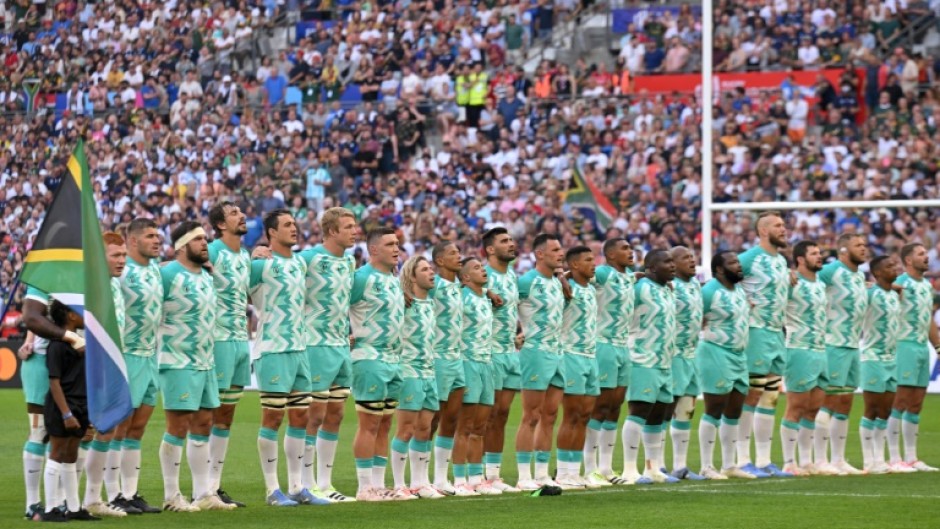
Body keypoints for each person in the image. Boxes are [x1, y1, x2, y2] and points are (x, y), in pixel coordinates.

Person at [156, 221, 233, 512]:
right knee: (178, 426)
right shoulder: (167, 274)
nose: (205, 243)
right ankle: (172, 495)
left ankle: (203, 493)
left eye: (205, 238)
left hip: (205, 361)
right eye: (199, 239)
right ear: (182, 246)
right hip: (177, 361)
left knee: (204, 424)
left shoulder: (206, 275)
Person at [249, 209, 315, 506]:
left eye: (295, 223)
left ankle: (297, 486)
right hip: (272, 349)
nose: (294, 228)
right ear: (271, 232)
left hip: (299, 349)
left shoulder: (300, 263)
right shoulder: (260, 264)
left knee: (300, 417)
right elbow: (235, 290)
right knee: (273, 417)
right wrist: (253, 256)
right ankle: (271, 489)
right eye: (287, 224)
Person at [298, 207, 359, 502]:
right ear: (332, 231)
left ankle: (326, 483)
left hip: (340, 345)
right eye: (348, 226)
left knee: (336, 414)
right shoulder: (308, 259)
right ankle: (305, 483)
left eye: (354, 226)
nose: (354, 230)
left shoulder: (350, 261)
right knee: (314, 415)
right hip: (315, 344)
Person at [20, 283, 86, 519]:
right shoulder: (43, 278)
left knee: (71, 436)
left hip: (76, 361)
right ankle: (33, 503)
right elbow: (33, 316)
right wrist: (30, 340)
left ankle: (60, 502)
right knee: (40, 432)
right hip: (41, 360)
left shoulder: (84, 273)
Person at [349, 228, 405, 501]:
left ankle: (379, 484)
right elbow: (338, 307)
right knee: (369, 423)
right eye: (390, 244)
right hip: (369, 358)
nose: (397, 248)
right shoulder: (360, 278)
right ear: (373, 250)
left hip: (394, 359)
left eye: (397, 244)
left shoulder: (395, 279)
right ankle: (363, 487)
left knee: (384, 424)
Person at [113, 218, 165, 514]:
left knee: (138, 428)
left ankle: (130, 492)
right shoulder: (120, 273)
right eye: (150, 236)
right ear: (132, 241)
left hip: (150, 356)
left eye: (157, 235)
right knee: (119, 427)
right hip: (127, 355)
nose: (157, 240)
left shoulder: (157, 270)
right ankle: (113, 492)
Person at [737, 211, 792, 478]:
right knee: (752, 394)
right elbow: (722, 281)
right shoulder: (748, 259)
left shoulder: (781, 261)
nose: (784, 229)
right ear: (762, 231)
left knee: (771, 396)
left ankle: (764, 460)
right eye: (777, 226)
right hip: (756, 331)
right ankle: (741, 459)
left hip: (777, 332)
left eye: (784, 225)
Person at [206, 201, 251, 508]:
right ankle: (203, 487)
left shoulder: (245, 255)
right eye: (234, 213)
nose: (242, 215)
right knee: (208, 415)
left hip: (240, 340)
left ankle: (215, 485)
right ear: (221, 225)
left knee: (227, 416)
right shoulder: (211, 251)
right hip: (218, 339)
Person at [82, 232, 131, 517]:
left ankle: (92, 498)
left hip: (112, 367)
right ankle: (67, 498)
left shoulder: (114, 286)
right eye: (116, 255)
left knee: (106, 430)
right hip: (91, 369)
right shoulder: (90, 286)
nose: (122, 261)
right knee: (85, 432)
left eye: (124, 255)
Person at [620, 250, 677, 485]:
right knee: (640, 411)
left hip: (664, 361)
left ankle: (653, 468)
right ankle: (629, 470)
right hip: (642, 359)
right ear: (651, 268)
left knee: (659, 415)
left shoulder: (667, 290)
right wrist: (633, 276)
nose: (672, 265)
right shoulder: (639, 287)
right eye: (666, 262)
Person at [514, 233, 566, 491]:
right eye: (555, 249)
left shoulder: (557, 282)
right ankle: (524, 475)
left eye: (561, 249)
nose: (561, 253)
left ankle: (543, 473)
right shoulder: (526, 282)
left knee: (550, 415)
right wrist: (514, 335)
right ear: (540, 254)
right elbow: (503, 308)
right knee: (531, 415)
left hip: (557, 353)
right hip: (535, 354)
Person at [40, 300, 99, 522]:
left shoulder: (83, 342)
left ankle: (73, 507)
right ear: (70, 315)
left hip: (82, 404)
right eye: (80, 310)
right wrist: (66, 414)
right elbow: (54, 382)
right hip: (62, 405)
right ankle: (51, 508)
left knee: (72, 455)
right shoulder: (56, 345)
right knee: (57, 452)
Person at [816, 232, 869, 475]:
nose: (864, 248)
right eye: (858, 245)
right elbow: (807, 282)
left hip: (852, 344)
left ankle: (838, 459)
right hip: (832, 342)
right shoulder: (830, 271)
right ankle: (819, 459)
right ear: (844, 251)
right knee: (829, 400)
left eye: (864, 244)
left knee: (845, 401)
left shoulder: (859, 276)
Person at [696, 251, 752, 480]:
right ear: (719, 269)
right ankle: (706, 466)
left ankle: (729, 464)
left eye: (738, 261)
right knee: (714, 408)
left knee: (735, 410)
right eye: (732, 263)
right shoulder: (708, 291)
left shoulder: (739, 289)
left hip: (739, 355)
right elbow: (695, 318)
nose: (738, 266)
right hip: (715, 353)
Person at [392, 256, 444, 499]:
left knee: (425, 428)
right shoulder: (403, 302)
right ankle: (399, 484)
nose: (431, 272)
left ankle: (420, 482)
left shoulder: (431, 303)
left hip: (429, 370)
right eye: (425, 269)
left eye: (431, 268)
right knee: (406, 428)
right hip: (409, 371)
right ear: (412, 276)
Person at [585, 238, 636, 486]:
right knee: (600, 406)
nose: (630, 251)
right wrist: (563, 279)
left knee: (615, 407)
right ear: (611, 255)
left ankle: (606, 468)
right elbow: (575, 275)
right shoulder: (603, 273)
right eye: (625, 248)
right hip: (603, 343)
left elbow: (640, 275)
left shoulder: (629, 277)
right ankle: (589, 467)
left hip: (622, 346)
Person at [780, 241, 832, 476]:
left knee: (813, 408)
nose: (819, 256)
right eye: (813, 253)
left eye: (819, 252)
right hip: (799, 349)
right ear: (800, 259)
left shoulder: (821, 283)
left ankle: (806, 460)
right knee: (796, 407)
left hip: (821, 350)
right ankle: (789, 462)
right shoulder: (791, 282)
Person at [889, 243, 940, 472]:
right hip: (904, 345)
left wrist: (937, 345)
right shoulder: (900, 284)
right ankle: (893, 457)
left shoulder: (927, 286)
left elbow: (928, 319)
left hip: (921, 347)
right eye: (921, 254)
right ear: (908, 261)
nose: (926, 257)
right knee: (899, 401)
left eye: (925, 253)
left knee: (916, 403)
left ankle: (911, 457)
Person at [452, 257, 500, 496]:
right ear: (465, 277)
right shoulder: (461, 296)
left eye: (483, 267)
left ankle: (476, 477)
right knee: (465, 426)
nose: (483, 270)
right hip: (468, 362)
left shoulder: (485, 298)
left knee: (480, 427)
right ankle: (459, 479)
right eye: (476, 268)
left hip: (486, 364)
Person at [555, 246, 599, 489]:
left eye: (594, 259)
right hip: (571, 355)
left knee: (584, 417)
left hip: (591, 356)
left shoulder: (591, 288)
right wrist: (562, 276)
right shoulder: (565, 289)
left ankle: (575, 471)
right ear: (574, 265)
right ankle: (562, 472)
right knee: (571, 416)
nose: (594, 264)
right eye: (588, 260)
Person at [481, 228, 522, 492]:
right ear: (490, 250)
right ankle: (475, 473)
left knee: (502, 415)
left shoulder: (514, 276)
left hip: (510, 352)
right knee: (484, 416)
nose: (511, 244)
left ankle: (494, 475)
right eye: (504, 241)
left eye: (511, 240)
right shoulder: (481, 275)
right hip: (488, 353)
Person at [858, 255, 901, 475]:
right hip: (872, 357)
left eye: (895, 265)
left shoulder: (895, 294)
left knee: (885, 411)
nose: (895, 268)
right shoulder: (869, 294)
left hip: (891, 358)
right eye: (889, 266)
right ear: (877, 273)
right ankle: (868, 461)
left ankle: (880, 459)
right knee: (872, 409)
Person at [429, 241, 465, 495]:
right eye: (453, 253)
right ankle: (419, 476)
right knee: (430, 420)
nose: (459, 256)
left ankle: (441, 478)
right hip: (438, 357)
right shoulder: (434, 285)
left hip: (457, 357)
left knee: (451, 419)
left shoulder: (458, 287)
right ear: (440, 261)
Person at [668, 246, 704, 481]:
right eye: (685, 258)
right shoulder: (668, 287)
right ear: (672, 263)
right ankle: (657, 466)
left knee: (686, 409)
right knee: (662, 410)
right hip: (671, 355)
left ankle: (680, 466)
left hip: (691, 354)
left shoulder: (695, 286)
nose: (692, 260)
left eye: (692, 257)